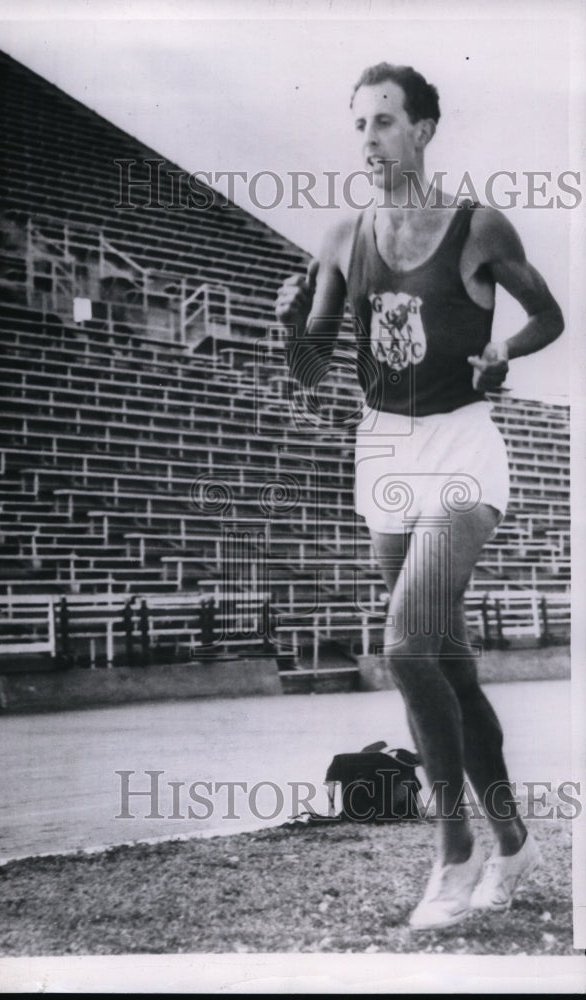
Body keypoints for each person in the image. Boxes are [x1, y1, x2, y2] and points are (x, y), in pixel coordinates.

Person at [275, 62, 564, 931]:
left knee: (404, 644)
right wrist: (291, 322)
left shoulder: (478, 227)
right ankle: (512, 841)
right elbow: (310, 367)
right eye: (359, 124)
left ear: (426, 130)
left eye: (387, 122)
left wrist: (503, 349)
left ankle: (453, 850)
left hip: (464, 447)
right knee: (445, 663)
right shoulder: (340, 237)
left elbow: (550, 316)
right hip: (383, 453)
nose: (369, 139)